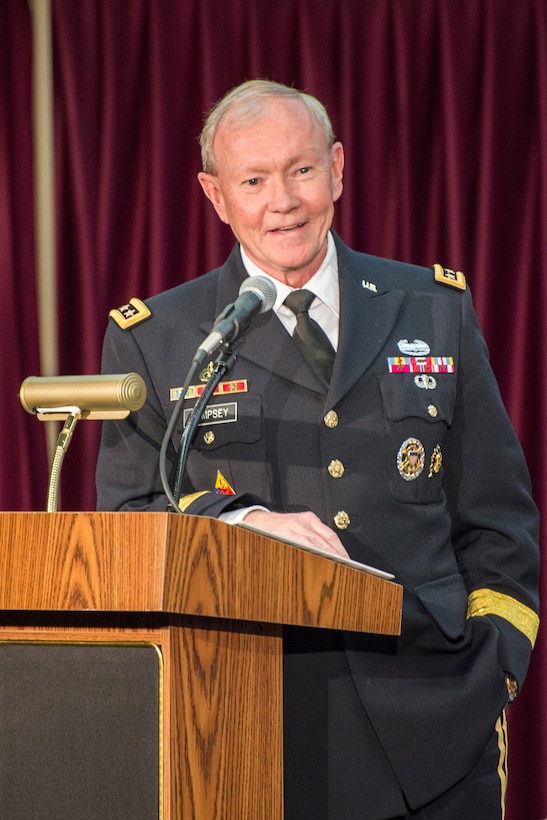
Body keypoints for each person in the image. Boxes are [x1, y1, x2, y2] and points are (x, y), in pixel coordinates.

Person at [96, 79, 540, 818]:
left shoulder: (433, 309)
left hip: (434, 713)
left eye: (301, 170)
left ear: (337, 167)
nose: (283, 201)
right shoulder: (158, 337)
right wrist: (240, 523)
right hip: (252, 716)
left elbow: (497, 517)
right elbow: (130, 514)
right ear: (214, 194)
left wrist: (494, 665)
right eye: (253, 180)